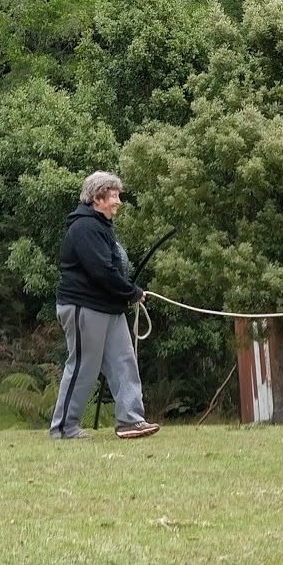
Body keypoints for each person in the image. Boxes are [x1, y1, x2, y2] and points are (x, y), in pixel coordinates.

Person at [49, 171, 160, 440]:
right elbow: (102, 271)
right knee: (83, 366)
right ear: (98, 198)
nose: (119, 201)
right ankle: (64, 427)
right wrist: (132, 292)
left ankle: (130, 420)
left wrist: (125, 294)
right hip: (83, 307)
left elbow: (110, 271)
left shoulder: (101, 227)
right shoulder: (84, 228)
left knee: (124, 361)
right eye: (114, 196)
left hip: (108, 308)